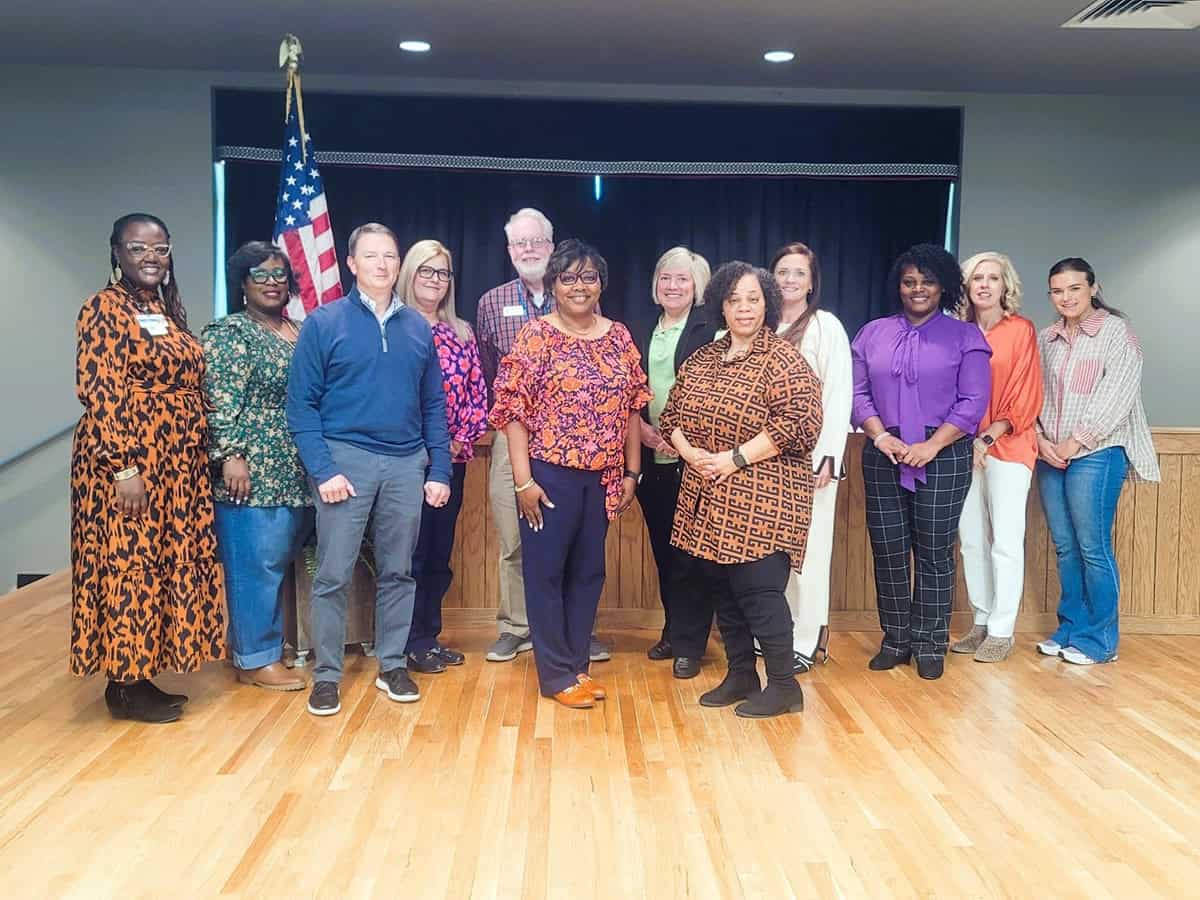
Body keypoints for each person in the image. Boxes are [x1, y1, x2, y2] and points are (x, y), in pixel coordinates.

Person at [287, 223, 452, 716]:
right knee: (334, 574)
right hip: (345, 463)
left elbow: (433, 407)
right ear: (352, 264)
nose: (382, 265)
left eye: (390, 256)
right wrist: (323, 470)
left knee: (399, 572)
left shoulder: (418, 328)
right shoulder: (325, 322)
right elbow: (301, 407)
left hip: (406, 464)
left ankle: (392, 665)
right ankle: (327, 676)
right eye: (372, 256)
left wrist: (439, 469)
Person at [71, 213, 225, 723]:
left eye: (160, 248)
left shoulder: (161, 307)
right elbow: (102, 390)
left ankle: (141, 673)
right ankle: (124, 684)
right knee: (129, 564)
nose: (151, 257)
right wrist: (122, 468)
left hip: (176, 465)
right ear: (116, 252)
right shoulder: (104, 308)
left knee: (161, 562)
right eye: (138, 248)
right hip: (132, 462)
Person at [489, 239, 650, 708]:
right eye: (568, 278)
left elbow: (632, 409)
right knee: (545, 574)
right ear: (553, 285)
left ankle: (577, 667)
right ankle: (555, 675)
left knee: (588, 573)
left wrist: (632, 474)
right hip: (549, 475)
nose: (579, 287)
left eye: (589, 277)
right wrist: (523, 481)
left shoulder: (618, 335)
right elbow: (513, 412)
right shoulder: (536, 336)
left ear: (601, 283)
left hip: (602, 477)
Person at [659, 261, 823, 718]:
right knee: (721, 590)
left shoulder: (783, 359)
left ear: (768, 303)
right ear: (720, 306)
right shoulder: (705, 358)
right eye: (735, 300)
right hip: (707, 493)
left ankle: (785, 686)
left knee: (758, 592)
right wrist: (692, 455)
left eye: (753, 298)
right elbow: (670, 417)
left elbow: (799, 424)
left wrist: (734, 458)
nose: (744, 308)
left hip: (763, 496)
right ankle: (741, 674)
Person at [476, 208, 611, 664]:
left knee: (572, 542)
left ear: (552, 249)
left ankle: (576, 631)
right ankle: (516, 626)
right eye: (519, 244)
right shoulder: (492, 303)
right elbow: (491, 373)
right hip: (512, 436)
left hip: (572, 448)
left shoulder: (582, 299)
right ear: (509, 250)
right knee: (516, 537)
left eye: (537, 242)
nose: (528, 250)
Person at [851, 243, 991, 680]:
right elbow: (856, 395)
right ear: (899, 284)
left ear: (944, 286)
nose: (917, 289)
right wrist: (882, 436)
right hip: (883, 448)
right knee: (889, 549)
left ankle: (931, 642)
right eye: (909, 281)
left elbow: (973, 400)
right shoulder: (872, 333)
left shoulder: (966, 336)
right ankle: (896, 639)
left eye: (927, 281)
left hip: (943, 451)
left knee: (933, 552)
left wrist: (932, 446)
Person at [1034, 257, 1159, 665]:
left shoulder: (1116, 333)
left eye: (1074, 288)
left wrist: (1074, 442)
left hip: (1097, 454)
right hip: (1050, 452)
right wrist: (1040, 439)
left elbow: (1117, 397)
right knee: (1066, 547)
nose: (1065, 297)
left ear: (1093, 287)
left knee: (1092, 547)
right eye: (1057, 290)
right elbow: (1032, 395)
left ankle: (1098, 640)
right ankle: (1070, 628)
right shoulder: (1045, 338)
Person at [202, 241, 312, 692]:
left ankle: (249, 646)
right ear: (242, 283)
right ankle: (256, 659)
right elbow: (219, 398)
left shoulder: (300, 330)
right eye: (261, 275)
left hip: (296, 466)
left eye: (279, 275)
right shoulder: (230, 333)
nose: (272, 283)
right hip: (252, 469)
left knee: (276, 562)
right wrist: (231, 455)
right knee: (255, 565)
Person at [396, 239, 487, 673]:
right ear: (408, 274)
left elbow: (477, 396)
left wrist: (456, 440)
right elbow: (386, 396)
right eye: (426, 271)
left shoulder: (462, 332)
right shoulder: (391, 326)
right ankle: (405, 641)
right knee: (408, 554)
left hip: (451, 460)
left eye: (443, 273)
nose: (435, 280)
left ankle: (428, 635)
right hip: (404, 459)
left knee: (438, 552)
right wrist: (425, 443)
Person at [949, 252, 1043, 663]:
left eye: (993, 278)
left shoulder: (1021, 330)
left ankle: (1003, 630)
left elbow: (1026, 394)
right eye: (976, 278)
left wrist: (987, 437)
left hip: (1007, 444)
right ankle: (982, 622)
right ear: (966, 287)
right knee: (971, 541)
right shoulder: (956, 333)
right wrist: (966, 440)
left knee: (1005, 541)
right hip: (963, 448)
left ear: (1006, 286)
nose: (984, 285)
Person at [631, 246, 715, 677]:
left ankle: (690, 643)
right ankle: (673, 629)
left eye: (682, 278)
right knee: (664, 552)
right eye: (666, 277)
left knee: (690, 556)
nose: (673, 286)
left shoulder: (710, 328)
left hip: (695, 459)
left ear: (697, 285)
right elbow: (631, 389)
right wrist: (644, 432)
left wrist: (681, 440)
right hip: (651, 457)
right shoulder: (642, 327)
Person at [770, 242, 852, 672]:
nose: (789, 280)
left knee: (809, 553)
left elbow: (838, 398)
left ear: (811, 281)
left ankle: (806, 638)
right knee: (771, 554)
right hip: (766, 461)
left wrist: (829, 458)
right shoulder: (759, 324)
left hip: (811, 463)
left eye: (798, 273)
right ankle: (775, 634)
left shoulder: (825, 327)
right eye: (783, 271)